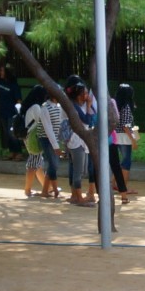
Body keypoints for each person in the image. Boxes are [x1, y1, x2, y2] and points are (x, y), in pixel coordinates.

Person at [22, 84, 61, 200]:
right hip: (34, 139)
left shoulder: (31, 106)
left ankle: (47, 187)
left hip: (29, 138)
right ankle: (27, 190)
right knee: (33, 163)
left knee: (38, 163)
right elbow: (43, 123)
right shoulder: (37, 107)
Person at [63, 78, 97, 206]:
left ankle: (76, 196)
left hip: (81, 142)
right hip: (76, 142)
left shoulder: (78, 105)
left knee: (80, 171)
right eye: (85, 93)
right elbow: (87, 120)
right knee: (78, 171)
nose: (87, 96)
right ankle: (79, 198)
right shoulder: (75, 107)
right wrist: (88, 105)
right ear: (79, 95)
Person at [111, 82, 137, 200]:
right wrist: (133, 140)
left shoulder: (115, 105)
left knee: (119, 163)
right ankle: (124, 188)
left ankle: (113, 184)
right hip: (125, 138)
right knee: (126, 163)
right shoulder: (127, 106)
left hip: (116, 136)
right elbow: (126, 126)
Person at [0, 65, 23, 157]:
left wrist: (18, 113)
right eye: (0, 71)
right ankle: (12, 151)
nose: (1, 73)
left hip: (12, 113)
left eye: (3, 71)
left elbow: (19, 100)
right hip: (2, 112)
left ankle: (19, 152)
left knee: (12, 133)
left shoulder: (14, 85)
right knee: (7, 133)